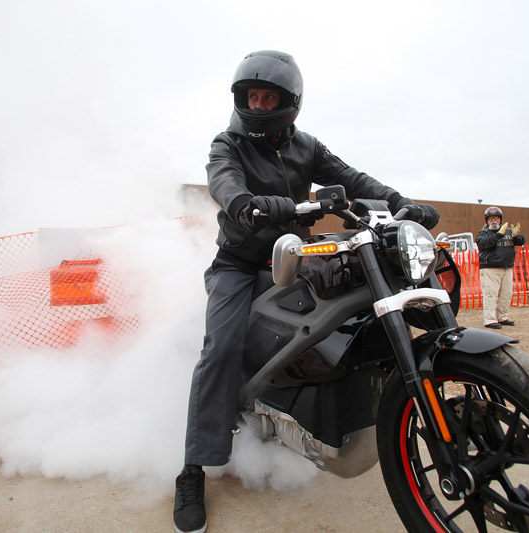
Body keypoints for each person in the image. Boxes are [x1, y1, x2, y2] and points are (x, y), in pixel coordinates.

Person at [173, 50, 439, 533]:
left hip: (297, 251)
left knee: (350, 305)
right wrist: (247, 205)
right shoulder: (228, 142)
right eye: (251, 95)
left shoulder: (306, 146)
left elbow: (352, 178)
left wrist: (401, 202)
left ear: (288, 101)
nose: (257, 103)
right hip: (240, 262)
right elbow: (223, 181)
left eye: (266, 96)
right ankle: (193, 469)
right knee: (221, 348)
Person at [476, 206, 525, 329]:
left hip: (507, 267)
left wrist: (516, 236)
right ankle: (490, 320)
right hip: (490, 268)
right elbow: (485, 243)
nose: (494, 221)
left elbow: (520, 242)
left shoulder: (508, 232)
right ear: (487, 220)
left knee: (506, 294)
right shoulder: (483, 233)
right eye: (491, 218)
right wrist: (499, 234)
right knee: (491, 294)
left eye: (496, 218)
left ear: (500, 219)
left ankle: (502, 317)